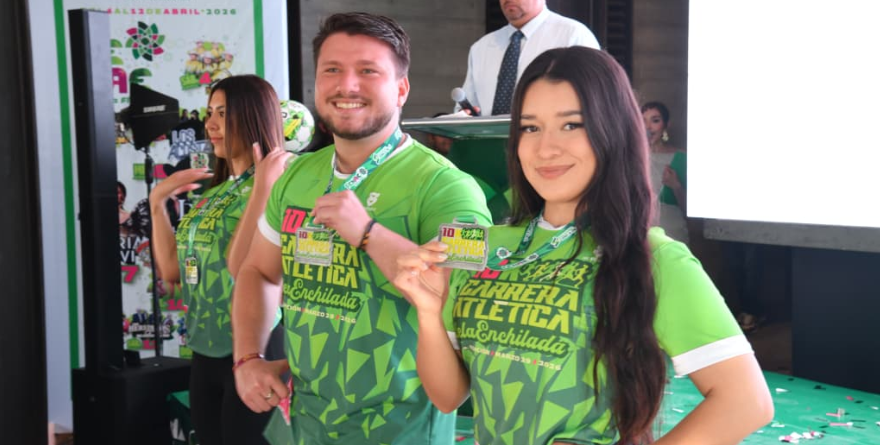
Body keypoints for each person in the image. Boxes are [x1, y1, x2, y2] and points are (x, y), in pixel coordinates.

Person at [395, 47, 773, 445]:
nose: (546, 148)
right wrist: (429, 312)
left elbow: (746, 402)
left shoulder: (652, 258)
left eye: (571, 125)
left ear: (614, 131)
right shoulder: (484, 247)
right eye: (530, 128)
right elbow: (449, 396)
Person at [229, 12, 492, 445]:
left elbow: (461, 304)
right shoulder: (296, 178)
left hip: (402, 432)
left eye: (368, 71)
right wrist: (248, 358)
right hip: (304, 426)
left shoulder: (448, 188)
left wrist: (369, 233)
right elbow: (258, 270)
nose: (347, 85)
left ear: (401, 89)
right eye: (332, 70)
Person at [149, 75, 292, 445]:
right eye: (209, 113)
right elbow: (172, 270)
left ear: (254, 115)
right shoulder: (215, 193)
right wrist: (157, 203)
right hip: (204, 349)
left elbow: (241, 264)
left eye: (223, 113)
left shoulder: (280, 185)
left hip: (257, 347)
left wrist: (263, 186)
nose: (210, 124)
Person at [459, 0, 600, 116]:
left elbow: (594, 101)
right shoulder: (481, 47)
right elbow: (467, 108)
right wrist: (464, 115)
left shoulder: (573, 35)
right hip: (489, 139)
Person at [642, 101, 689, 244]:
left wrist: (676, 186)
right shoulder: (631, 159)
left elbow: (690, 211)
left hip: (672, 234)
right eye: (643, 121)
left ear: (666, 125)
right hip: (640, 234)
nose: (648, 127)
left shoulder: (682, 157)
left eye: (655, 120)